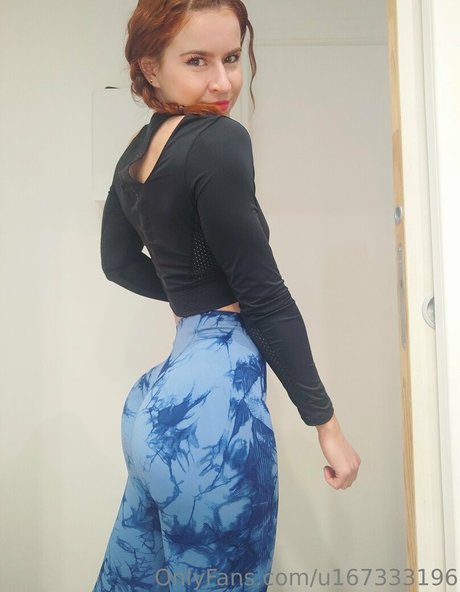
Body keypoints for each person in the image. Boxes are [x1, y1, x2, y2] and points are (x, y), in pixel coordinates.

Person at [92, 1, 361, 591]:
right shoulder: (219, 139)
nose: (223, 82)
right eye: (197, 61)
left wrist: (195, 297)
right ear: (151, 67)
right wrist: (327, 425)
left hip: (155, 406)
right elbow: (264, 296)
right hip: (212, 406)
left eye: (232, 58)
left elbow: (118, 264)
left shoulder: (135, 152)